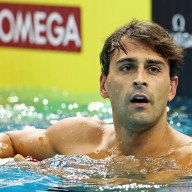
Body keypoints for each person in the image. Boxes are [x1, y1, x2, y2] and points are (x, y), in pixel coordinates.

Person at [0, 20, 191, 169]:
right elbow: (9, 140)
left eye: (153, 69)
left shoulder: (186, 161)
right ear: (103, 85)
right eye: (127, 67)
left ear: (172, 88)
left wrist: (46, 171)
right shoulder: (77, 139)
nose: (140, 79)